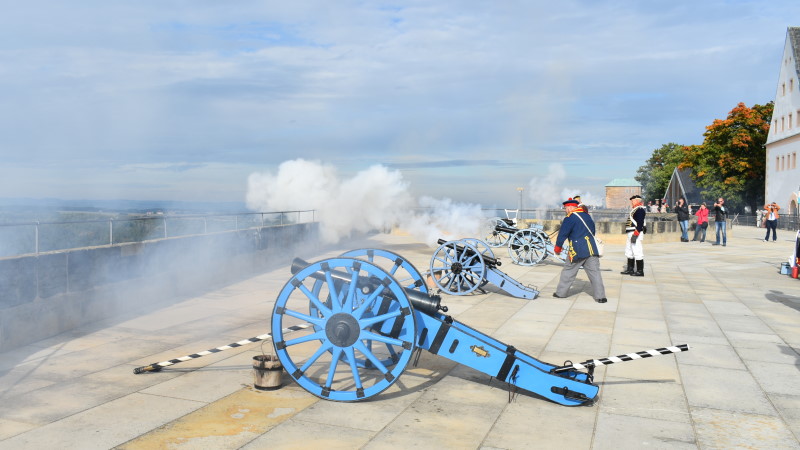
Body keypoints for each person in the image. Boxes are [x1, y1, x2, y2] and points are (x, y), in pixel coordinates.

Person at [552, 198, 607, 303]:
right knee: (595, 273)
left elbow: (563, 234)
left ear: (570, 207)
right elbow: (593, 232)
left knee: (568, 271)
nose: (565, 210)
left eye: (566, 208)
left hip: (577, 250)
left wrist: (558, 247)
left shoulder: (570, 218)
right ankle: (601, 297)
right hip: (591, 248)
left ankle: (561, 293)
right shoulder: (587, 216)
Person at [621, 194, 646, 277]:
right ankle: (630, 269)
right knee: (629, 251)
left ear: (636, 201)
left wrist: (636, 234)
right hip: (630, 232)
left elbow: (640, 223)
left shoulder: (639, 209)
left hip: (634, 232)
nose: (631, 202)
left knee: (637, 250)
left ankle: (640, 271)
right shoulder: (635, 209)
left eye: (632, 200)